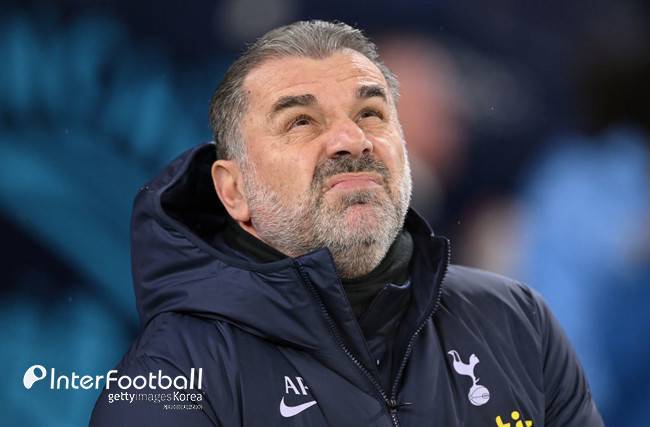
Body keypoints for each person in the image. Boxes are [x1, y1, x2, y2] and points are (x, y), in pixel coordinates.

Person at [90, 20, 603, 426]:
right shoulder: (172, 377)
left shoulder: (518, 323)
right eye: (300, 121)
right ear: (234, 189)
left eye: (371, 114)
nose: (351, 140)